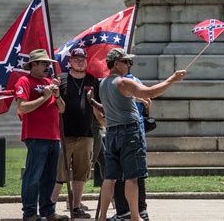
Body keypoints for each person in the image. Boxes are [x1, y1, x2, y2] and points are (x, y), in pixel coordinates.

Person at [98, 48, 186, 221]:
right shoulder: (123, 82)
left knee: (110, 178)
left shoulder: (103, 83)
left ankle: (101, 217)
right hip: (129, 133)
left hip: (112, 133)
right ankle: (136, 218)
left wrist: (135, 99)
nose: (129, 65)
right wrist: (173, 79)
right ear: (116, 63)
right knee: (132, 177)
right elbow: (151, 92)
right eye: (126, 62)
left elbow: (120, 99)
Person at [15, 49, 68, 221]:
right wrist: (44, 97)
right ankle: (29, 213)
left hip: (54, 136)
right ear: (33, 64)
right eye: (44, 63)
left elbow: (62, 109)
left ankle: (48, 211)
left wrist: (57, 95)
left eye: (49, 63)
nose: (48, 66)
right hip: (36, 136)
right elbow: (22, 107)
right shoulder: (24, 81)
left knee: (50, 178)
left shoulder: (49, 82)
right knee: (33, 177)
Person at [49, 48, 103, 218]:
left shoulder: (93, 81)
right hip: (64, 134)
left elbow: (97, 107)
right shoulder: (61, 79)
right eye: (76, 59)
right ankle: (49, 208)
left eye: (83, 59)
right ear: (70, 61)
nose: (80, 61)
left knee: (81, 173)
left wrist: (103, 122)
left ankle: (76, 207)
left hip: (86, 134)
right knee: (59, 173)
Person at [112, 68, 151, 221]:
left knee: (131, 174)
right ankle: (133, 210)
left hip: (131, 131)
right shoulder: (122, 82)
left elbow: (146, 104)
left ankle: (131, 211)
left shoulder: (127, 81)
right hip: (130, 131)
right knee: (134, 174)